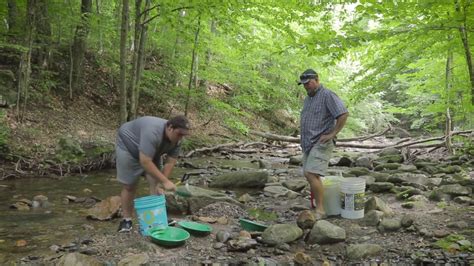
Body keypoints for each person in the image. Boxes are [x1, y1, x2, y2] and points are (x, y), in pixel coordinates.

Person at [115, 115, 190, 232]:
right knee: (129, 186)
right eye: (179, 134)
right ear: (170, 127)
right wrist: (165, 181)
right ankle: (127, 220)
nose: (181, 138)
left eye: (183, 135)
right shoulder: (152, 132)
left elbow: (170, 163)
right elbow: (145, 161)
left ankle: (158, 218)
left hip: (151, 151)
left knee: (155, 185)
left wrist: (162, 182)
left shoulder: (177, 141)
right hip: (129, 146)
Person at [298, 69, 349, 219]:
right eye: (303, 84)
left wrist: (333, 134)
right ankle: (318, 204)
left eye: (308, 83)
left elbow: (343, 114)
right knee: (309, 174)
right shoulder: (308, 99)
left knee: (311, 173)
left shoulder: (327, 95)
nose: (306, 86)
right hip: (308, 143)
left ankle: (320, 210)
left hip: (322, 141)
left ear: (316, 80)